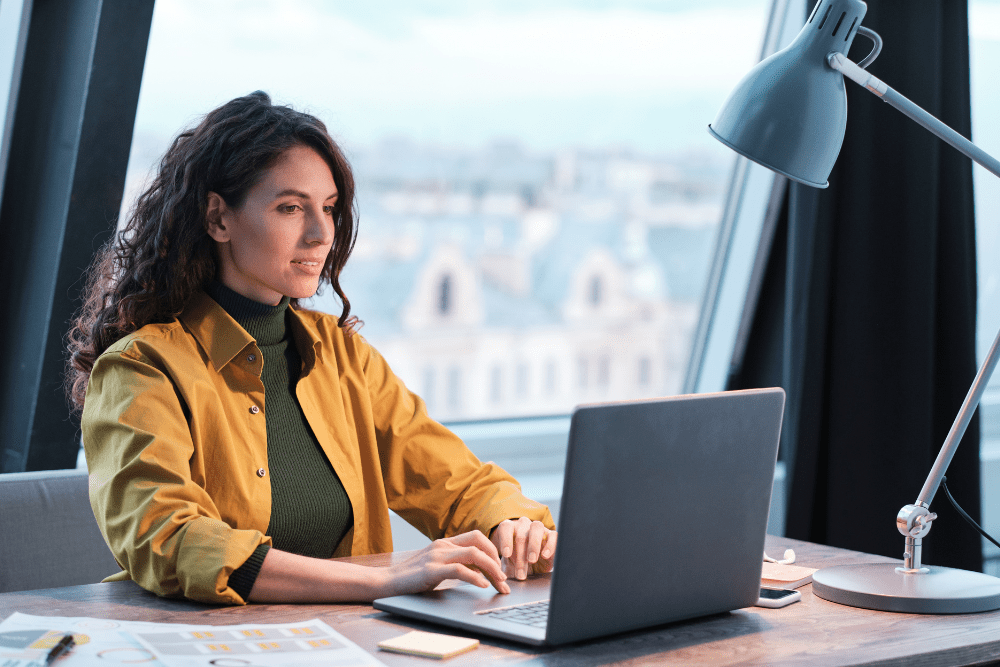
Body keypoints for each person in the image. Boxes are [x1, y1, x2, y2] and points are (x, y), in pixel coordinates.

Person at [66, 91, 556, 605]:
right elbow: (170, 539)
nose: (321, 234)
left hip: (345, 639)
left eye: (328, 208)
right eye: (291, 208)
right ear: (218, 218)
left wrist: (513, 523)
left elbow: (454, 481)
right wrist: (384, 581)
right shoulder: (141, 368)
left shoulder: (345, 358)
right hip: (198, 640)